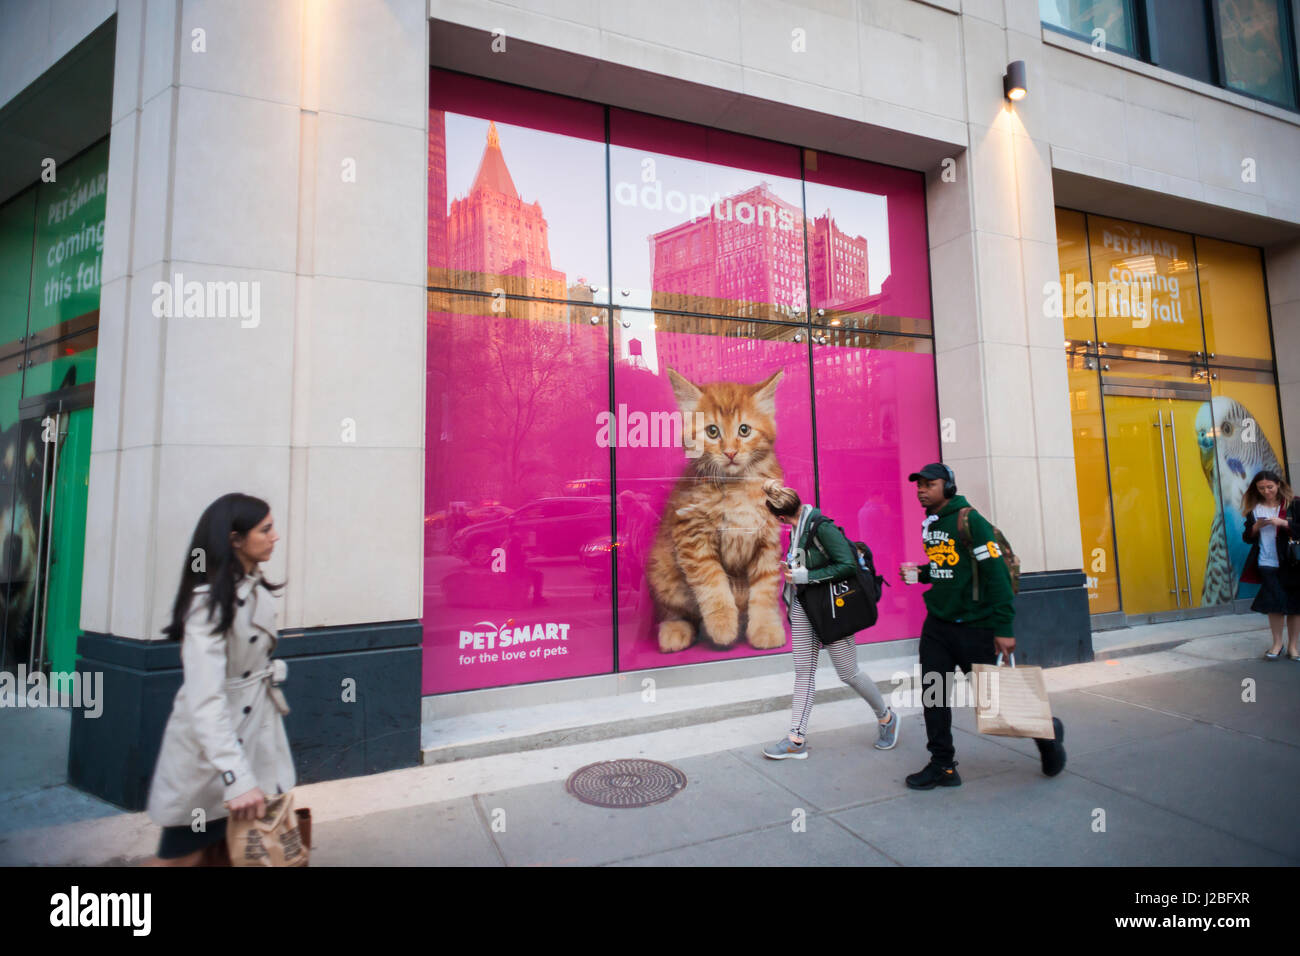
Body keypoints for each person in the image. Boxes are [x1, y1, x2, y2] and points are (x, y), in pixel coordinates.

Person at [144, 493, 295, 866]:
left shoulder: (255, 589)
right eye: (266, 529)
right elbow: (205, 701)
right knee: (185, 857)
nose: (276, 537)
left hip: (256, 739)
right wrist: (236, 776)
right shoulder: (207, 607)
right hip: (209, 759)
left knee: (243, 853)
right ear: (235, 540)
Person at [898, 463, 1064, 789]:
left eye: (929, 484)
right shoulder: (930, 525)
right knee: (934, 695)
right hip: (938, 626)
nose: (921, 489)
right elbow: (948, 565)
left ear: (948, 487)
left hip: (976, 626)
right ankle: (943, 765)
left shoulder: (970, 520)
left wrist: (1004, 627)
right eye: (918, 485)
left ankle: (1048, 732)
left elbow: (996, 575)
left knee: (997, 701)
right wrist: (922, 573)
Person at [761, 480, 898, 759]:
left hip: (831, 608)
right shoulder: (797, 530)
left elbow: (847, 564)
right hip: (804, 605)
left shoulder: (821, 526)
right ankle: (795, 739)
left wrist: (805, 576)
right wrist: (795, 573)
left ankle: (886, 717)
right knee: (804, 672)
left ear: (781, 517)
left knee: (849, 673)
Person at [1240, 470, 1299, 660]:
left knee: (1294, 606)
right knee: (1274, 605)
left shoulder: (1293, 504)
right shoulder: (1254, 509)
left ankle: (1293, 647)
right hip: (1266, 562)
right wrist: (1255, 528)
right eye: (1261, 488)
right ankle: (1277, 644)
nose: (1266, 491)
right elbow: (1247, 537)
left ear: (1279, 485)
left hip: (1291, 562)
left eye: (1270, 487)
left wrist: (1283, 523)